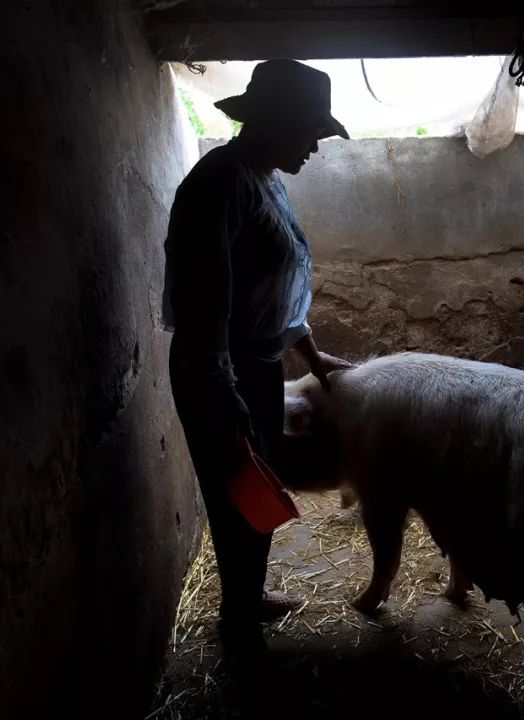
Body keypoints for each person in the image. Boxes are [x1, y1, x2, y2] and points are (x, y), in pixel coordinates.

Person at [161, 59, 353, 686]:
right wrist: (224, 391)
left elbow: (274, 292)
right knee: (234, 493)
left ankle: (246, 599)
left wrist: (313, 357)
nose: (315, 146)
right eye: (309, 131)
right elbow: (202, 304)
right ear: (273, 123)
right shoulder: (217, 185)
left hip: (256, 362)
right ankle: (238, 628)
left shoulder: (262, 178)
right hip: (219, 365)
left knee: (258, 489)